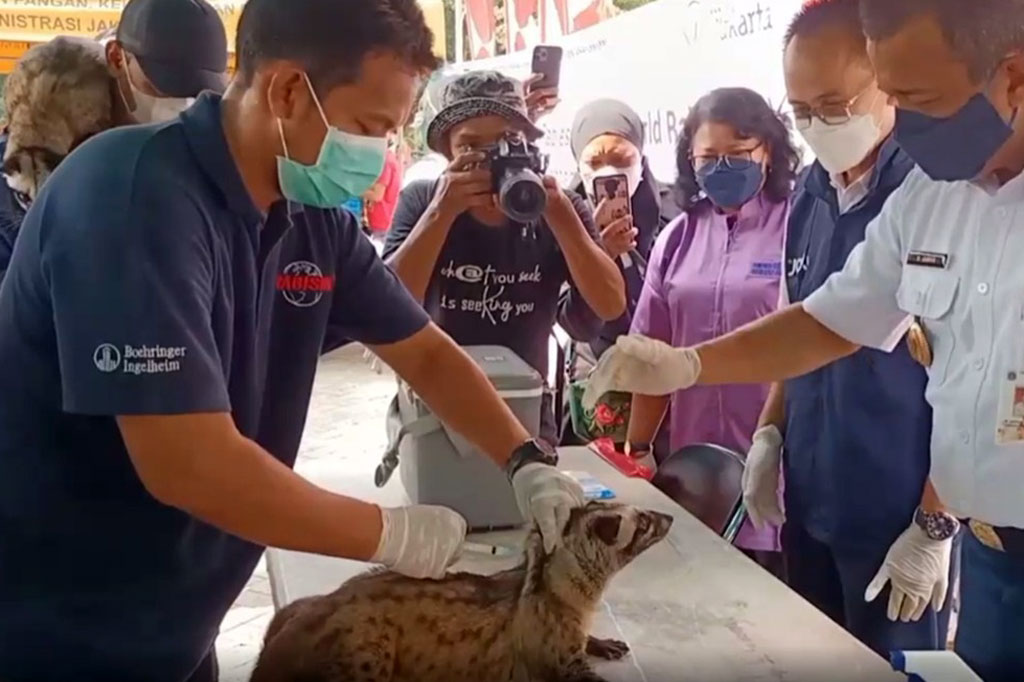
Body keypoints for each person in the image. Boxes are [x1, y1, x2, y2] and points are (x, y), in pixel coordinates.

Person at [0, 1, 584, 679]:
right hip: (50, 628)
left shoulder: (311, 220)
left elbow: (422, 350)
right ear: (284, 90)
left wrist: (525, 461)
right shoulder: (131, 195)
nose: (378, 153)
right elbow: (187, 463)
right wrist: (387, 534)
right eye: (370, 128)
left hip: (177, 625)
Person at [586, 1, 1024, 678]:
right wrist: (689, 365)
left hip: (914, 513)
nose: (902, 124)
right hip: (992, 561)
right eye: (893, 95)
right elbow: (828, 321)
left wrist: (931, 524)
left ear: (1014, 78)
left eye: (920, 98)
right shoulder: (930, 199)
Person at [742, 0, 954, 656]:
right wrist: (769, 432)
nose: (816, 128)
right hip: (812, 498)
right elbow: (799, 324)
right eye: (800, 112)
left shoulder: (934, 194)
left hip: (897, 514)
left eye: (833, 105)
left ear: (883, 82)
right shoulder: (809, 194)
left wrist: (934, 523)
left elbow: (971, 373)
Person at [383, 71, 626, 445]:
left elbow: (610, 304)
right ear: (447, 153)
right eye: (471, 146)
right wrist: (441, 213)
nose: (492, 157)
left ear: (528, 145)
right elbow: (384, 307)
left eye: (508, 141)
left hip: (525, 405)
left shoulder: (559, 208)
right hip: (436, 411)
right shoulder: (421, 201)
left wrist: (562, 218)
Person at [624, 87, 799, 573]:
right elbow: (650, 355)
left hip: (777, 467)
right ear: (690, 160)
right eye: (709, 157)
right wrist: (638, 452)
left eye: (739, 154)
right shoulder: (677, 237)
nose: (723, 168)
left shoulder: (797, 225)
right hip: (695, 473)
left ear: (769, 150)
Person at [0, 0, 228, 283]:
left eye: (197, 91)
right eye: (164, 83)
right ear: (117, 59)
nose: (180, 101)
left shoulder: (191, 153)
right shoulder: (26, 168)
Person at [569, 99, 672, 358]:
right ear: (579, 166)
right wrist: (601, 258)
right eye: (594, 162)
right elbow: (575, 325)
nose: (609, 171)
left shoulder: (676, 211)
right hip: (598, 366)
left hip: (669, 360)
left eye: (621, 159)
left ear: (641, 158)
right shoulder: (564, 221)